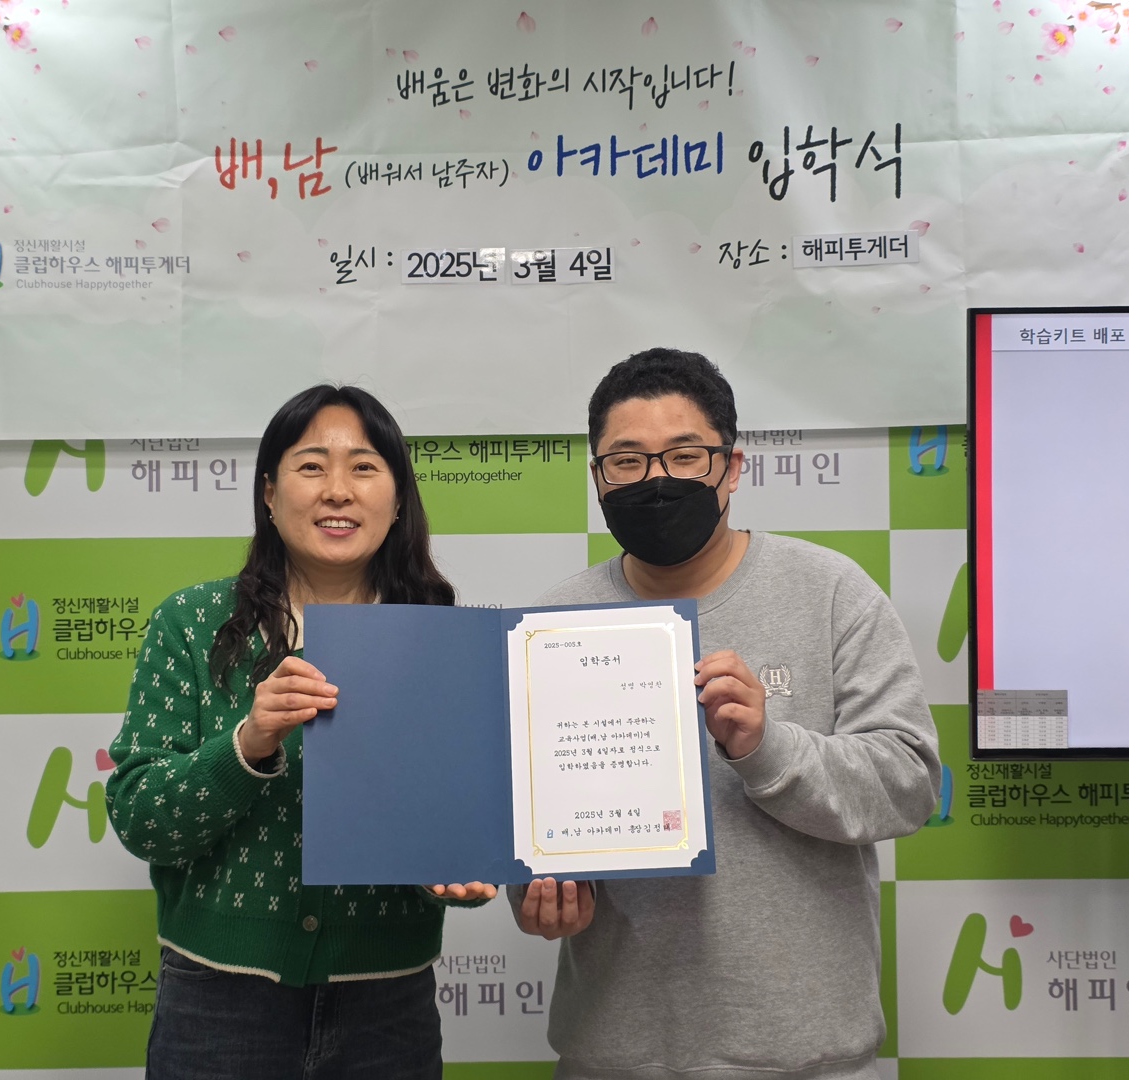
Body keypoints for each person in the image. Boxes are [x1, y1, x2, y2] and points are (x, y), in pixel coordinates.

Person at [511, 348, 941, 1080]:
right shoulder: (554, 622)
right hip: (615, 1052)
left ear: (732, 467)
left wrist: (767, 746)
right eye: (627, 461)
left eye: (685, 456)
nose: (656, 480)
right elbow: (526, 821)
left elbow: (910, 784)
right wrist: (538, 895)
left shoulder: (831, 591)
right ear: (598, 477)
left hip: (807, 1054)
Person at [106, 384, 494, 1080]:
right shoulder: (191, 624)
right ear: (268, 492)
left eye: (364, 467)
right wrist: (248, 743)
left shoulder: (441, 637)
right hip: (218, 1003)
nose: (337, 490)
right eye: (312, 466)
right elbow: (141, 820)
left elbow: (449, 823)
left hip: (387, 1007)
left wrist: (449, 868)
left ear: (398, 500)